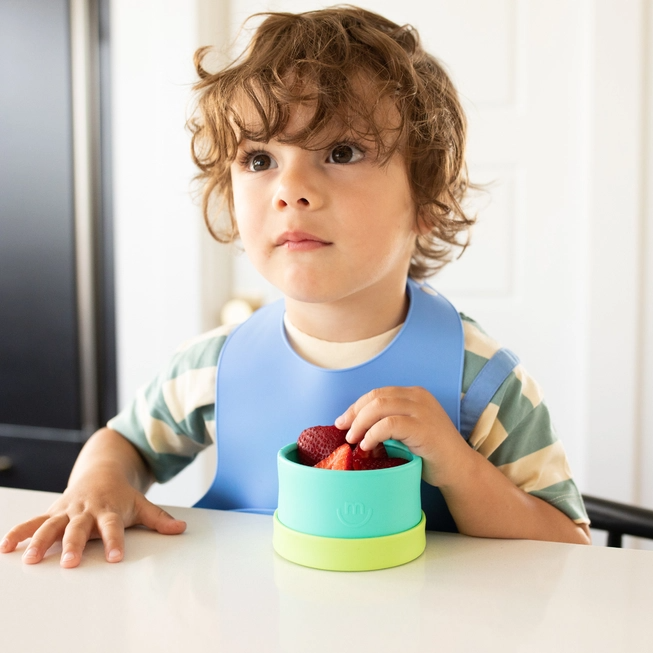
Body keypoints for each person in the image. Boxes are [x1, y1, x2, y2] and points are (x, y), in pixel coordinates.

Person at [0, 6, 591, 568]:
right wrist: (97, 487)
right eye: (259, 160)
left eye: (341, 151)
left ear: (425, 201)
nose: (291, 189)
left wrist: (458, 466)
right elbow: (123, 444)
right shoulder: (210, 368)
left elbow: (567, 546)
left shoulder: (483, 382)